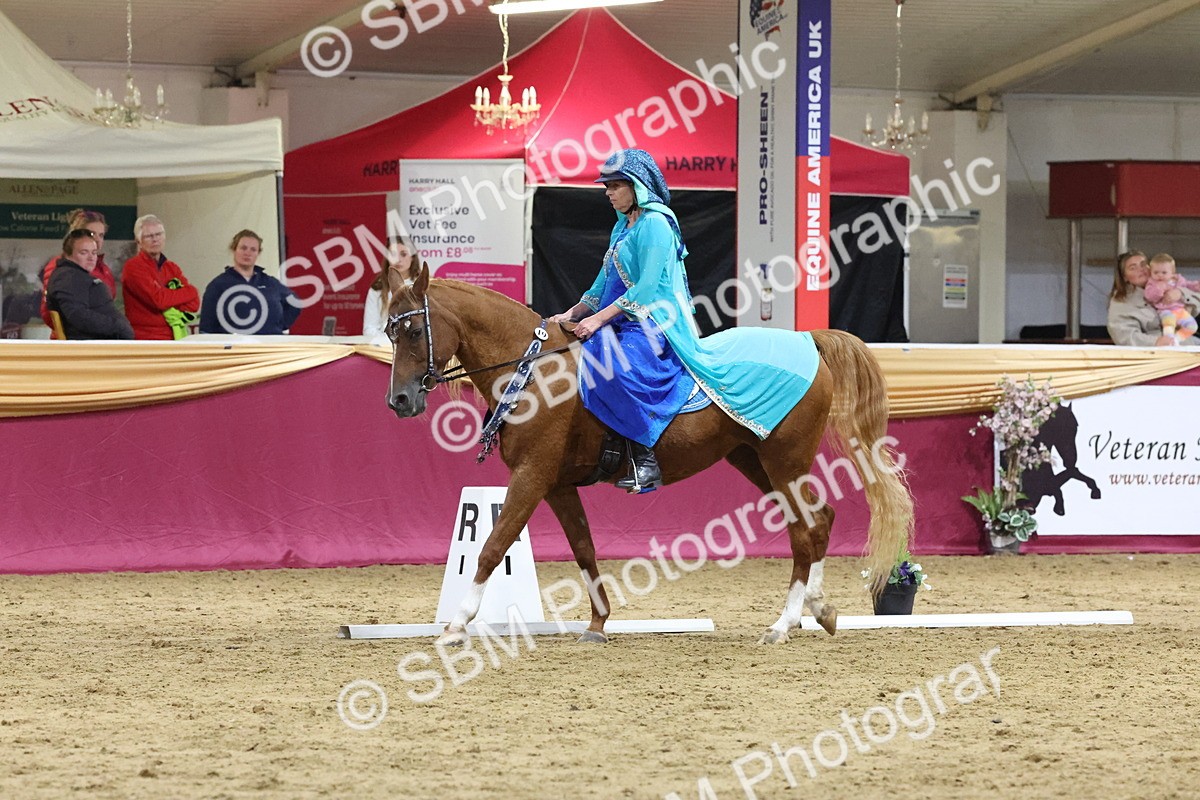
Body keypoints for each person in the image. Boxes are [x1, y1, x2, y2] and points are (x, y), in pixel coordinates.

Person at [549, 149, 819, 493]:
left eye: (615, 186)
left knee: (618, 366)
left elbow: (646, 289)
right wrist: (573, 313)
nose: (608, 192)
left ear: (637, 186)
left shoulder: (656, 224)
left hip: (653, 323)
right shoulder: (622, 227)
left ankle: (644, 458)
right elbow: (602, 284)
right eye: (607, 187)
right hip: (620, 320)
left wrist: (598, 320)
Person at [199, 230, 301, 335]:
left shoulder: (271, 283)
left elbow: (295, 302)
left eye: (253, 249)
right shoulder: (218, 285)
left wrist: (278, 326)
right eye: (243, 248)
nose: (247, 253)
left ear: (258, 253)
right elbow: (207, 328)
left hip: (270, 343)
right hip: (236, 344)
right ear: (234, 249)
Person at [122, 214, 200, 340]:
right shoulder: (133, 267)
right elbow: (158, 300)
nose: (155, 239)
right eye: (149, 236)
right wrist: (191, 291)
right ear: (139, 241)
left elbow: (194, 305)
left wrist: (169, 297)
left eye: (158, 234)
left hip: (173, 337)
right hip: (144, 339)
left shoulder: (172, 267)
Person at [45, 229, 134, 340]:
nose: (91, 258)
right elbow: (78, 315)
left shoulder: (75, 275)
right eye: (84, 252)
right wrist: (117, 326)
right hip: (91, 344)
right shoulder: (68, 277)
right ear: (68, 255)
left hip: (104, 341)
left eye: (94, 252)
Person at [40, 209, 116, 330]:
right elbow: (49, 312)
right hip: (74, 336)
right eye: (92, 234)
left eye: (101, 235)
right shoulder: (59, 266)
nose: (97, 240)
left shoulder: (104, 269)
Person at [1107, 249, 1200, 347]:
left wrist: (1181, 294)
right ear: (1124, 277)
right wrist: (1155, 341)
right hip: (1156, 352)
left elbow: (1197, 303)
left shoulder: (1171, 282)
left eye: (1143, 264)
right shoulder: (1121, 301)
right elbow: (1124, 335)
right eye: (1133, 268)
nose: (1141, 269)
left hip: (1187, 346)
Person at [363, 238, 417, 345]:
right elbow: (369, 329)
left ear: (412, 257)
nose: (398, 259)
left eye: (403, 254)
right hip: (383, 348)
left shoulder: (423, 286)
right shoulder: (377, 288)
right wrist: (389, 341)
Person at [1143, 252, 1200, 343]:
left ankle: (1176, 340)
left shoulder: (1178, 280)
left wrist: (1196, 286)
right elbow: (1149, 296)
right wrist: (1159, 289)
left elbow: (1187, 285)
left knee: (1192, 326)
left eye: (1164, 272)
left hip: (1179, 310)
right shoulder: (1152, 283)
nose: (1160, 275)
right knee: (1169, 327)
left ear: (1172, 273)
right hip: (1165, 311)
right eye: (1156, 272)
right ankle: (1169, 342)